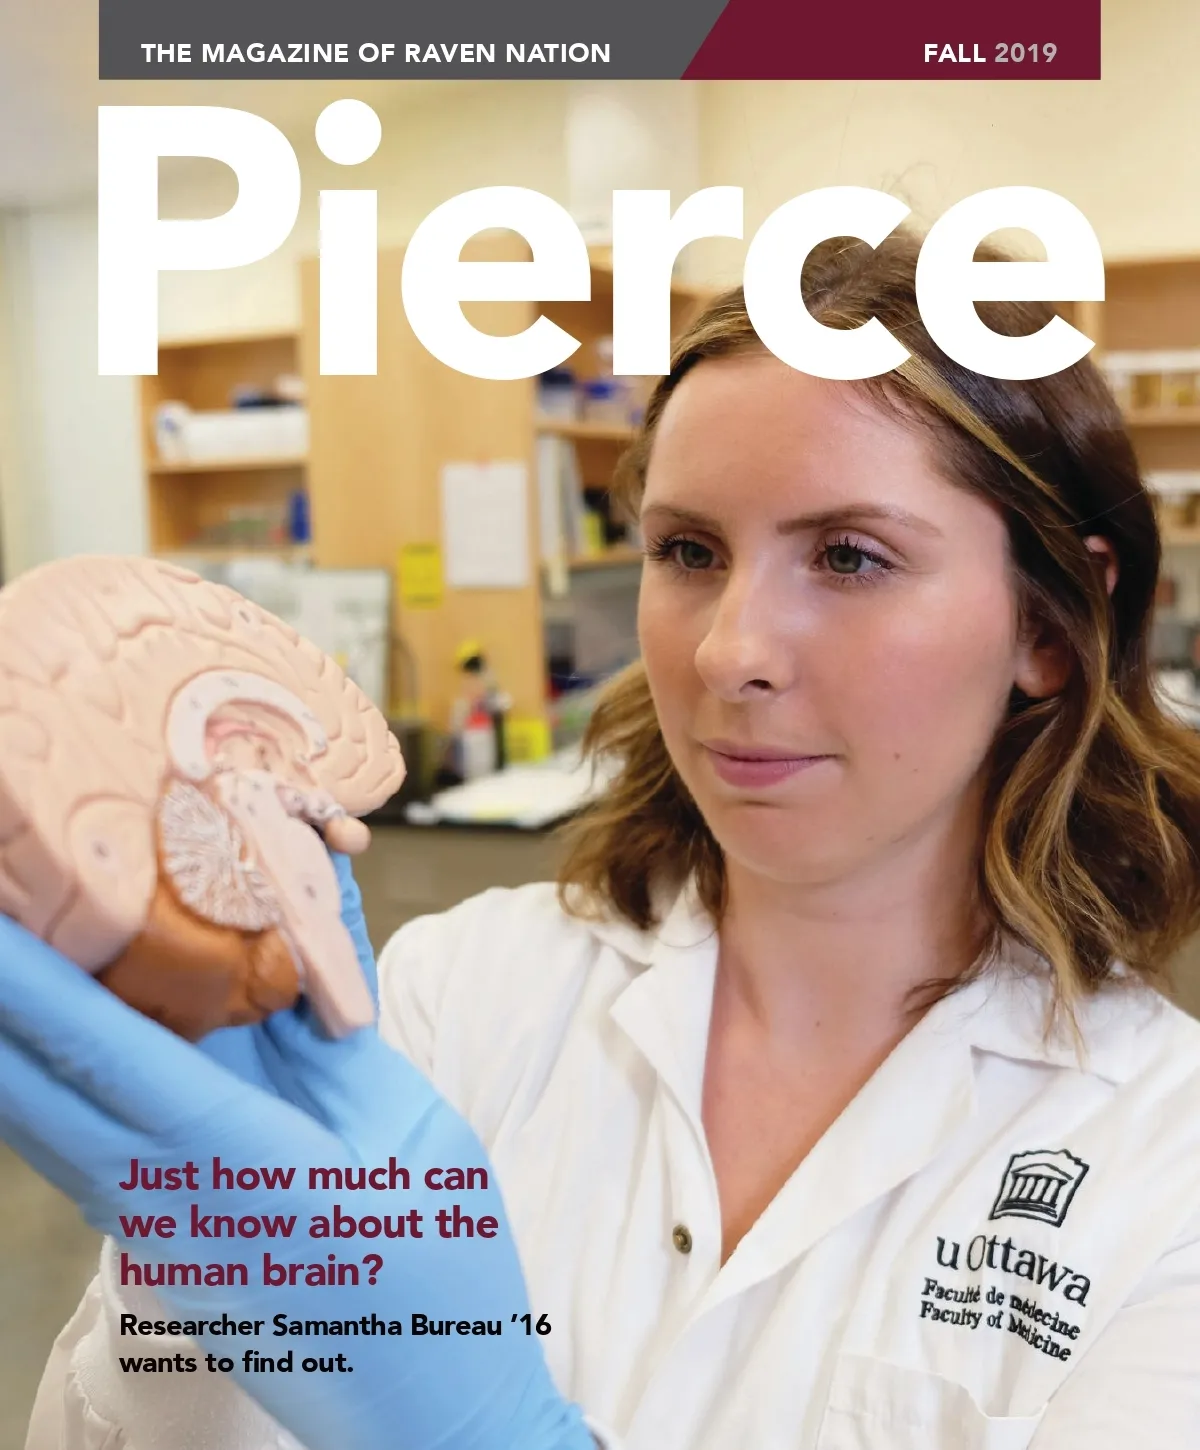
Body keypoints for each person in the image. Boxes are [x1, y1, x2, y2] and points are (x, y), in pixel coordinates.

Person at [6, 232, 1200, 1450]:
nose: (728, 651)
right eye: (688, 551)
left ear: (1050, 624)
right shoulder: (447, 1000)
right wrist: (192, 1290)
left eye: (850, 556)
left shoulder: (1168, 1163)